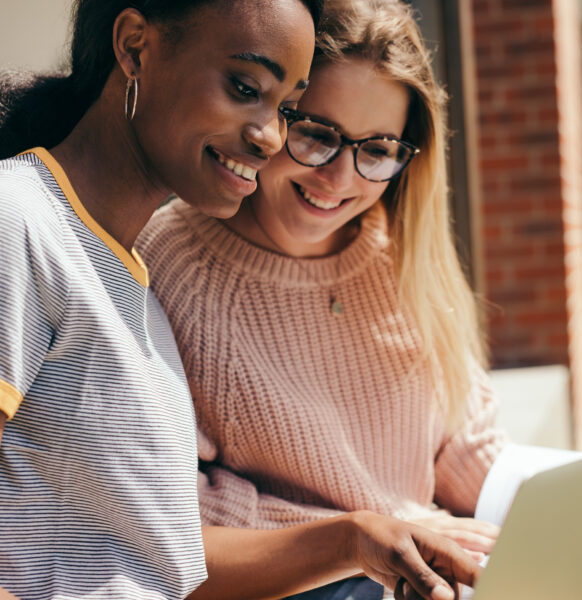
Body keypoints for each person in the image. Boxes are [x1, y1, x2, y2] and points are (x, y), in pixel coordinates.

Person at [0, 1, 481, 599]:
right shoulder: (18, 219)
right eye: (243, 86)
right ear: (133, 49)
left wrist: (354, 541)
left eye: (284, 109)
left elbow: (165, 564)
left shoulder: (130, 285)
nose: (268, 136)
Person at [137, 0, 507, 598]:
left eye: (378, 149)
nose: (339, 180)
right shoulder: (171, 265)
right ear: (274, 117)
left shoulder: (403, 253)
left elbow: (463, 447)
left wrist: (545, 500)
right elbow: (170, 515)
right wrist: (368, 536)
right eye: (315, 135)